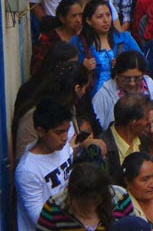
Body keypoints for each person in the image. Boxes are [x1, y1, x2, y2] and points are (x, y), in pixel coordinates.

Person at [16, 99, 74, 231]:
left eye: (67, 130)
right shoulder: (28, 170)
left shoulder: (63, 148)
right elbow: (39, 219)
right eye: (59, 132)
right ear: (41, 131)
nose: (65, 137)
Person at [35, 162, 134, 230]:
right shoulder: (54, 207)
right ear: (69, 195)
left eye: (93, 203)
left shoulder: (120, 198)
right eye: (82, 206)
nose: (88, 210)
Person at [92, 51, 153, 130]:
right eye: (126, 79)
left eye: (137, 78)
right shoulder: (103, 95)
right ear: (117, 74)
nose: (132, 83)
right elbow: (96, 128)